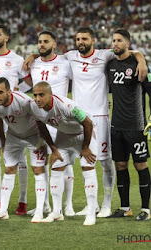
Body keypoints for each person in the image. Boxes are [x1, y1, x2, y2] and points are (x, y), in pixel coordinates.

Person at [24, 27, 148, 218]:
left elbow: (128, 51)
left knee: (106, 162)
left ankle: (107, 204)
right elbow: (48, 54)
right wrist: (33, 55)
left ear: (93, 40)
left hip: (100, 117)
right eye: (77, 39)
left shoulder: (104, 55)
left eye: (84, 38)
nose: (80, 41)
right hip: (76, 119)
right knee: (79, 163)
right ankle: (91, 205)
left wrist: (141, 59)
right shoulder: (70, 57)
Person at [0, 23, 33, 214]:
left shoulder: (17, 59)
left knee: (20, 158)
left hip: (15, 113)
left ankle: (22, 201)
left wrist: (19, 91)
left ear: (6, 38)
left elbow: (29, 81)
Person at [30, 81, 98, 226]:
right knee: (56, 168)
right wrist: (54, 149)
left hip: (83, 134)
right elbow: (42, 128)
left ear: (50, 94)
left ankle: (91, 213)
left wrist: (85, 147)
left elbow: (88, 123)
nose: (37, 99)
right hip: (64, 136)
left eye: (41, 95)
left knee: (88, 169)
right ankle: (57, 213)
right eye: (35, 95)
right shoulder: (34, 107)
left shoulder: (66, 106)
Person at [0, 77, 47, 223]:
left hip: (33, 137)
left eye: (0, 92)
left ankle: (39, 211)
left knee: (38, 170)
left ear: (9, 91)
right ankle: (3, 211)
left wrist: (43, 140)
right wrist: (2, 140)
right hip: (13, 136)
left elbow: (40, 119)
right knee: (9, 170)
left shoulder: (24, 102)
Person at [29, 30, 75, 216]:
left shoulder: (65, 63)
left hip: (60, 120)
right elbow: (25, 85)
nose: (41, 44)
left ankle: (68, 205)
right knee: (43, 161)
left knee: (64, 162)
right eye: (39, 41)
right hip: (40, 119)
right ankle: (45, 205)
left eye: (46, 41)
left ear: (54, 44)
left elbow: (80, 81)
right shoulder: (33, 64)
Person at [107, 29, 150, 221]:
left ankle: (146, 210)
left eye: (119, 40)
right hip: (116, 126)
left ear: (128, 44)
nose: (115, 43)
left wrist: (141, 59)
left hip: (136, 125)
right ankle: (125, 208)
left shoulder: (138, 65)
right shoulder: (109, 64)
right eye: (113, 40)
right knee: (120, 165)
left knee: (141, 165)